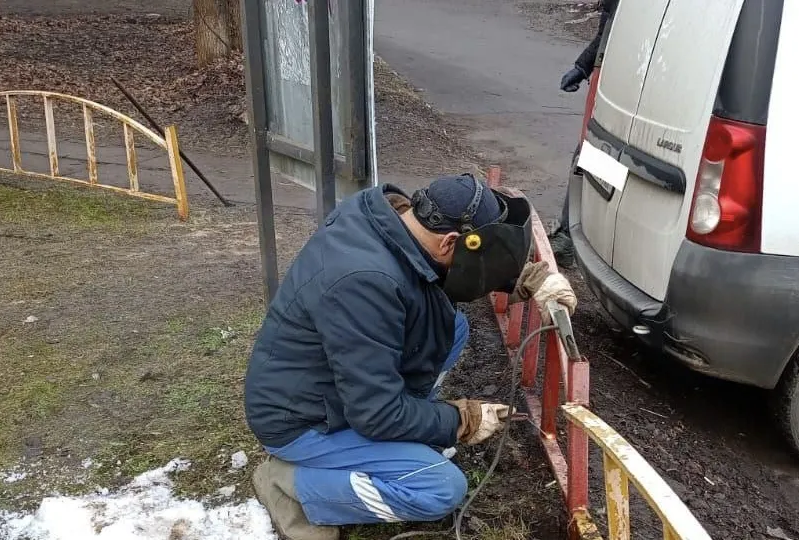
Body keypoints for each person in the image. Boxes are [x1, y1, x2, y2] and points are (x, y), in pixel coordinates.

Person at [244, 173, 578, 539]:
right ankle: (291, 485)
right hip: (302, 420)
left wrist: (527, 278)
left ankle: (403, 432)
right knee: (439, 489)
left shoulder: (394, 219)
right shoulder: (363, 282)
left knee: (453, 329)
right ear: (451, 241)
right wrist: (459, 420)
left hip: (335, 387)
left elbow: (441, 266)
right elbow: (376, 413)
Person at [550, 0, 620, 268]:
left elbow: (617, 29)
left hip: (626, 74)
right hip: (611, 68)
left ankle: (579, 238)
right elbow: (610, 28)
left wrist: (584, 66)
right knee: (592, 155)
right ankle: (574, 235)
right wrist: (584, 66)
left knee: (601, 158)